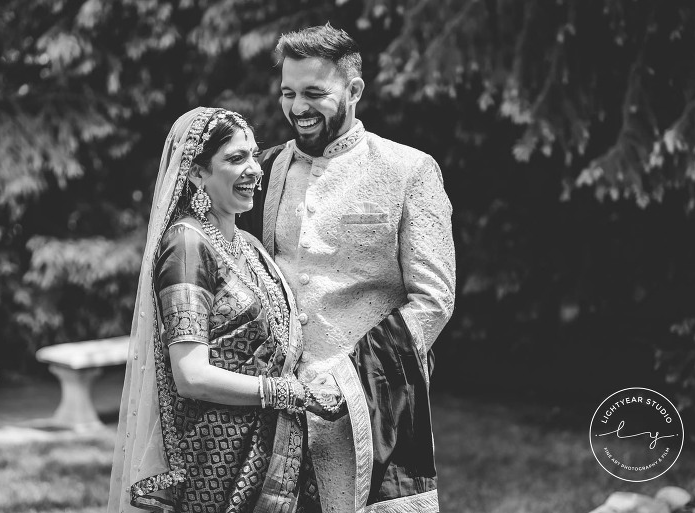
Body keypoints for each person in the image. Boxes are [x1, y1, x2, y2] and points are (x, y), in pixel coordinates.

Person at [238, 24, 456, 513]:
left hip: (370, 409)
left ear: (354, 90)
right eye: (288, 93)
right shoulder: (262, 171)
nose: (298, 107)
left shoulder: (408, 170)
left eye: (314, 93)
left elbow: (434, 300)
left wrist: (350, 379)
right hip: (273, 408)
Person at [108, 107, 343, 513]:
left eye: (253, 155)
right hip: (215, 462)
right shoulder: (187, 245)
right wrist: (290, 393)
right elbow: (191, 376)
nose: (254, 169)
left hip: (266, 448)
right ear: (197, 173)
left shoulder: (248, 247)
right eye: (236, 158)